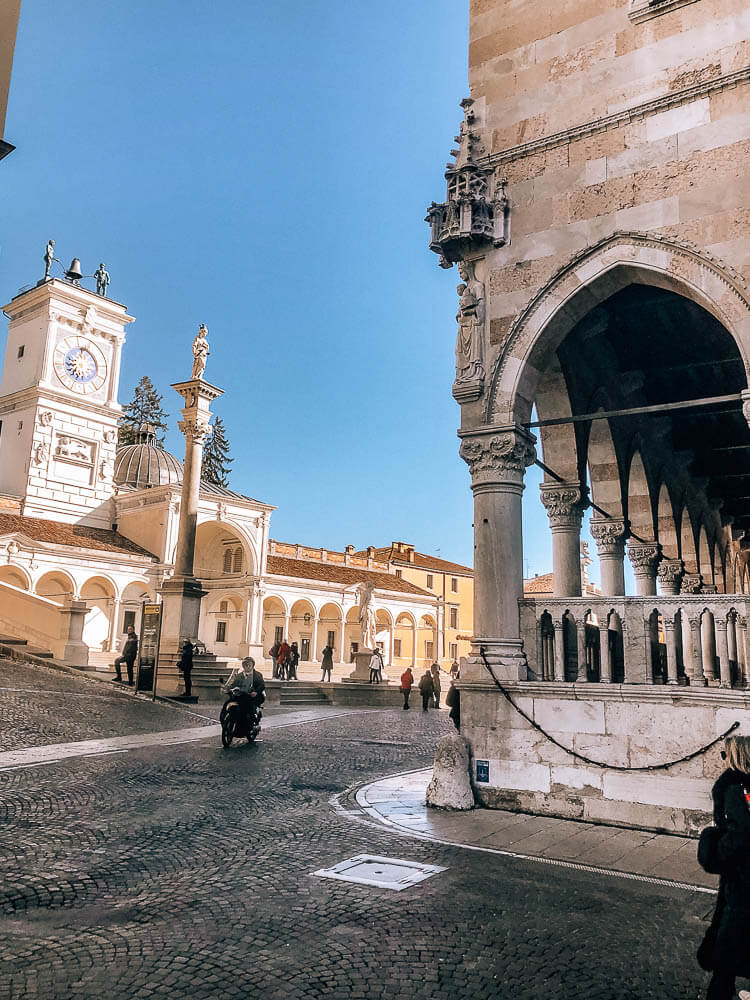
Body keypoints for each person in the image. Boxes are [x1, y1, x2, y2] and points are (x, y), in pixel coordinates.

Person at [697, 735, 750, 1000]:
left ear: (737, 757)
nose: (723, 759)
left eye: (724, 754)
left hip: (742, 885)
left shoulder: (733, 788)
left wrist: (712, 847)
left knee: (725, 958)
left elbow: (740, 834)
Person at [221, 657, 266, 729]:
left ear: (253, 665)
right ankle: (224, 722)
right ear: (243, 666)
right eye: (245, 665)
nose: (247, 667)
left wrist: (256, 692)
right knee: (227, 704)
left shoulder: (257, 675)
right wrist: (228, 689)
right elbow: (233, 684)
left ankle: (254, 723)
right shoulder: (239, 675)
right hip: (240, 695)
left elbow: (262, 685)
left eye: (249, 665)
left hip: (253, 696)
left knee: (248, 706)